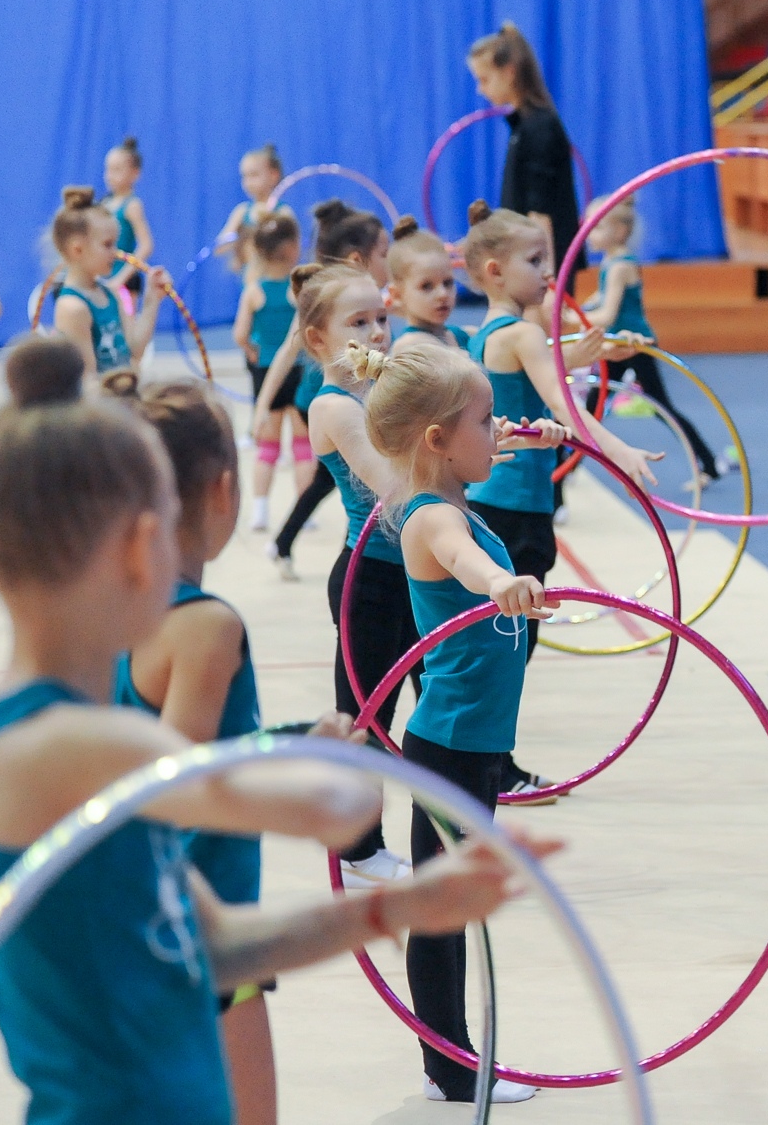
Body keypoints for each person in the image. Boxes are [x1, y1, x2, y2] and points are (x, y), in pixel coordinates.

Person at [0, 335, 556, 1123]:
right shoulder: (57, 747)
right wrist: (307, 764)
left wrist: (398, 909)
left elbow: (216, 947)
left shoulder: (83, 739)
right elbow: (306, 805)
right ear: (142, 544)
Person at [348, 339, 568, 1103]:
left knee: (452, 901)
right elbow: (462, 558)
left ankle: (451, 1056)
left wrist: (523, 435)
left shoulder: (448, 490)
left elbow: (477, 460)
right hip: (449, 748)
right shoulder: (432, 521)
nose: (498, 429)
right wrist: (502, 579)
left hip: (472, 744)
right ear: (438, 442)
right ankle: (450, 1064)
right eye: (485, 420)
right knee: (444, 911)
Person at [105, 370, 308, 1125]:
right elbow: (180, 783)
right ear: (224, 491)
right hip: (203, 921)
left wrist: (286, 738)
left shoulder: (111, 615)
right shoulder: (204, 626)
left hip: (134, 919)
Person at [459, 201, 657, 793]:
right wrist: (619, 452)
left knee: (504, 645)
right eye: (536, 259)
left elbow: (543, 364)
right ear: (494, 270)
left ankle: (485, 764)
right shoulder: (520, 332)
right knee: (509, 648)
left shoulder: (493, 334)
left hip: (504, 505)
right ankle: (490, 767)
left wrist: (593, 350)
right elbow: (564, 401)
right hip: (513, 510)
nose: (551, 272)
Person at [293, 261, 428, 876]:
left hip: (412, 573)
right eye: (359, 322)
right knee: (367, 721)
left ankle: (457, 812)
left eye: (381, 318)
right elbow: (395, 485)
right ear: (318, 339)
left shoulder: (377, 391)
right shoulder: (334, 407)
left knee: (430, 705)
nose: (377, 332)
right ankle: (357, 847)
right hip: (368, 579)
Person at [259, 199, 392, 578]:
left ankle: (290, 543)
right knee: (333, 480)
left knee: (337, 483)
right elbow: (288, 351)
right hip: (322, 400)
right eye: (384, 254)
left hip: (355, 398)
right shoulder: (328, 307)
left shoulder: (373, 306)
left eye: (381, 319)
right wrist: (262, 407)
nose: (390, 263)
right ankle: (287, 542)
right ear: (357, 260)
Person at [585, 195, 727, 486]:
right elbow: (599, 299)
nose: (589, 233)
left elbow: (608, 312)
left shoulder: (620, 266)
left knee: (660, 409)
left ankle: (708, 463)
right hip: (619, 345)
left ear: (620, 232)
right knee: (591, 409)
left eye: (597, 227)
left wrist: (570, 319)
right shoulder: (611, 261)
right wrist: (577, 308)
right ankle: (566, 470)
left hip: (635, 345)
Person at [468, 22, 584, 274]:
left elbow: (539, 211)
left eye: (484, 79)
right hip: (529, 261)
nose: (480, 89)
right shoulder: (523, 125)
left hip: (540, 265)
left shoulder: (539, 126)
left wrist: (547, 275)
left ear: (509, 72)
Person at [232, 213, 315, 532]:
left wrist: (253, 351)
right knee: (302, 445)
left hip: (265, 371)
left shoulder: (253, 291)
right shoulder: (300, 291)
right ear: (295, 248)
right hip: (298, 370)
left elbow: (240, 334)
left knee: (267, 446)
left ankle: (260, 511)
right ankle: (302, 512)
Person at [48, 186, 168, 378]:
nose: (116, 252)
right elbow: (87, 381)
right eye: (107, 244)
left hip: (121, 400)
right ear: (77, 250)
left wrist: (152, 300)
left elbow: (134, 353)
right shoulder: (72, 308)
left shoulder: (111, 293)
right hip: (103, 405)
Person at [385, 217, 470, 351]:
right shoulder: (409, 347)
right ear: (397, 295)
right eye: (427, 286)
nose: (442, 294)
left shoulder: (460, 335)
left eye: (448, 283)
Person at [213, 144, 291, 271]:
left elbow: (291, 249)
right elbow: (219, 248)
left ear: (273, 175)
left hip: (278, 279)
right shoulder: (242, 211)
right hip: (250, 282)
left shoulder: (283, 212)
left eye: (254, 175)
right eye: (244, 176)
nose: (248, 182)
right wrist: (237, 239)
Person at [100, 136, 154, 290]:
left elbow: (146, 245)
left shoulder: (132, 205)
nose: (110, 175)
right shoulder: (104, 203)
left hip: (123, 283)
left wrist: (120, 279)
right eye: (108, 169)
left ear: (135, 173)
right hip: (103, 278)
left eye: (117, 170)